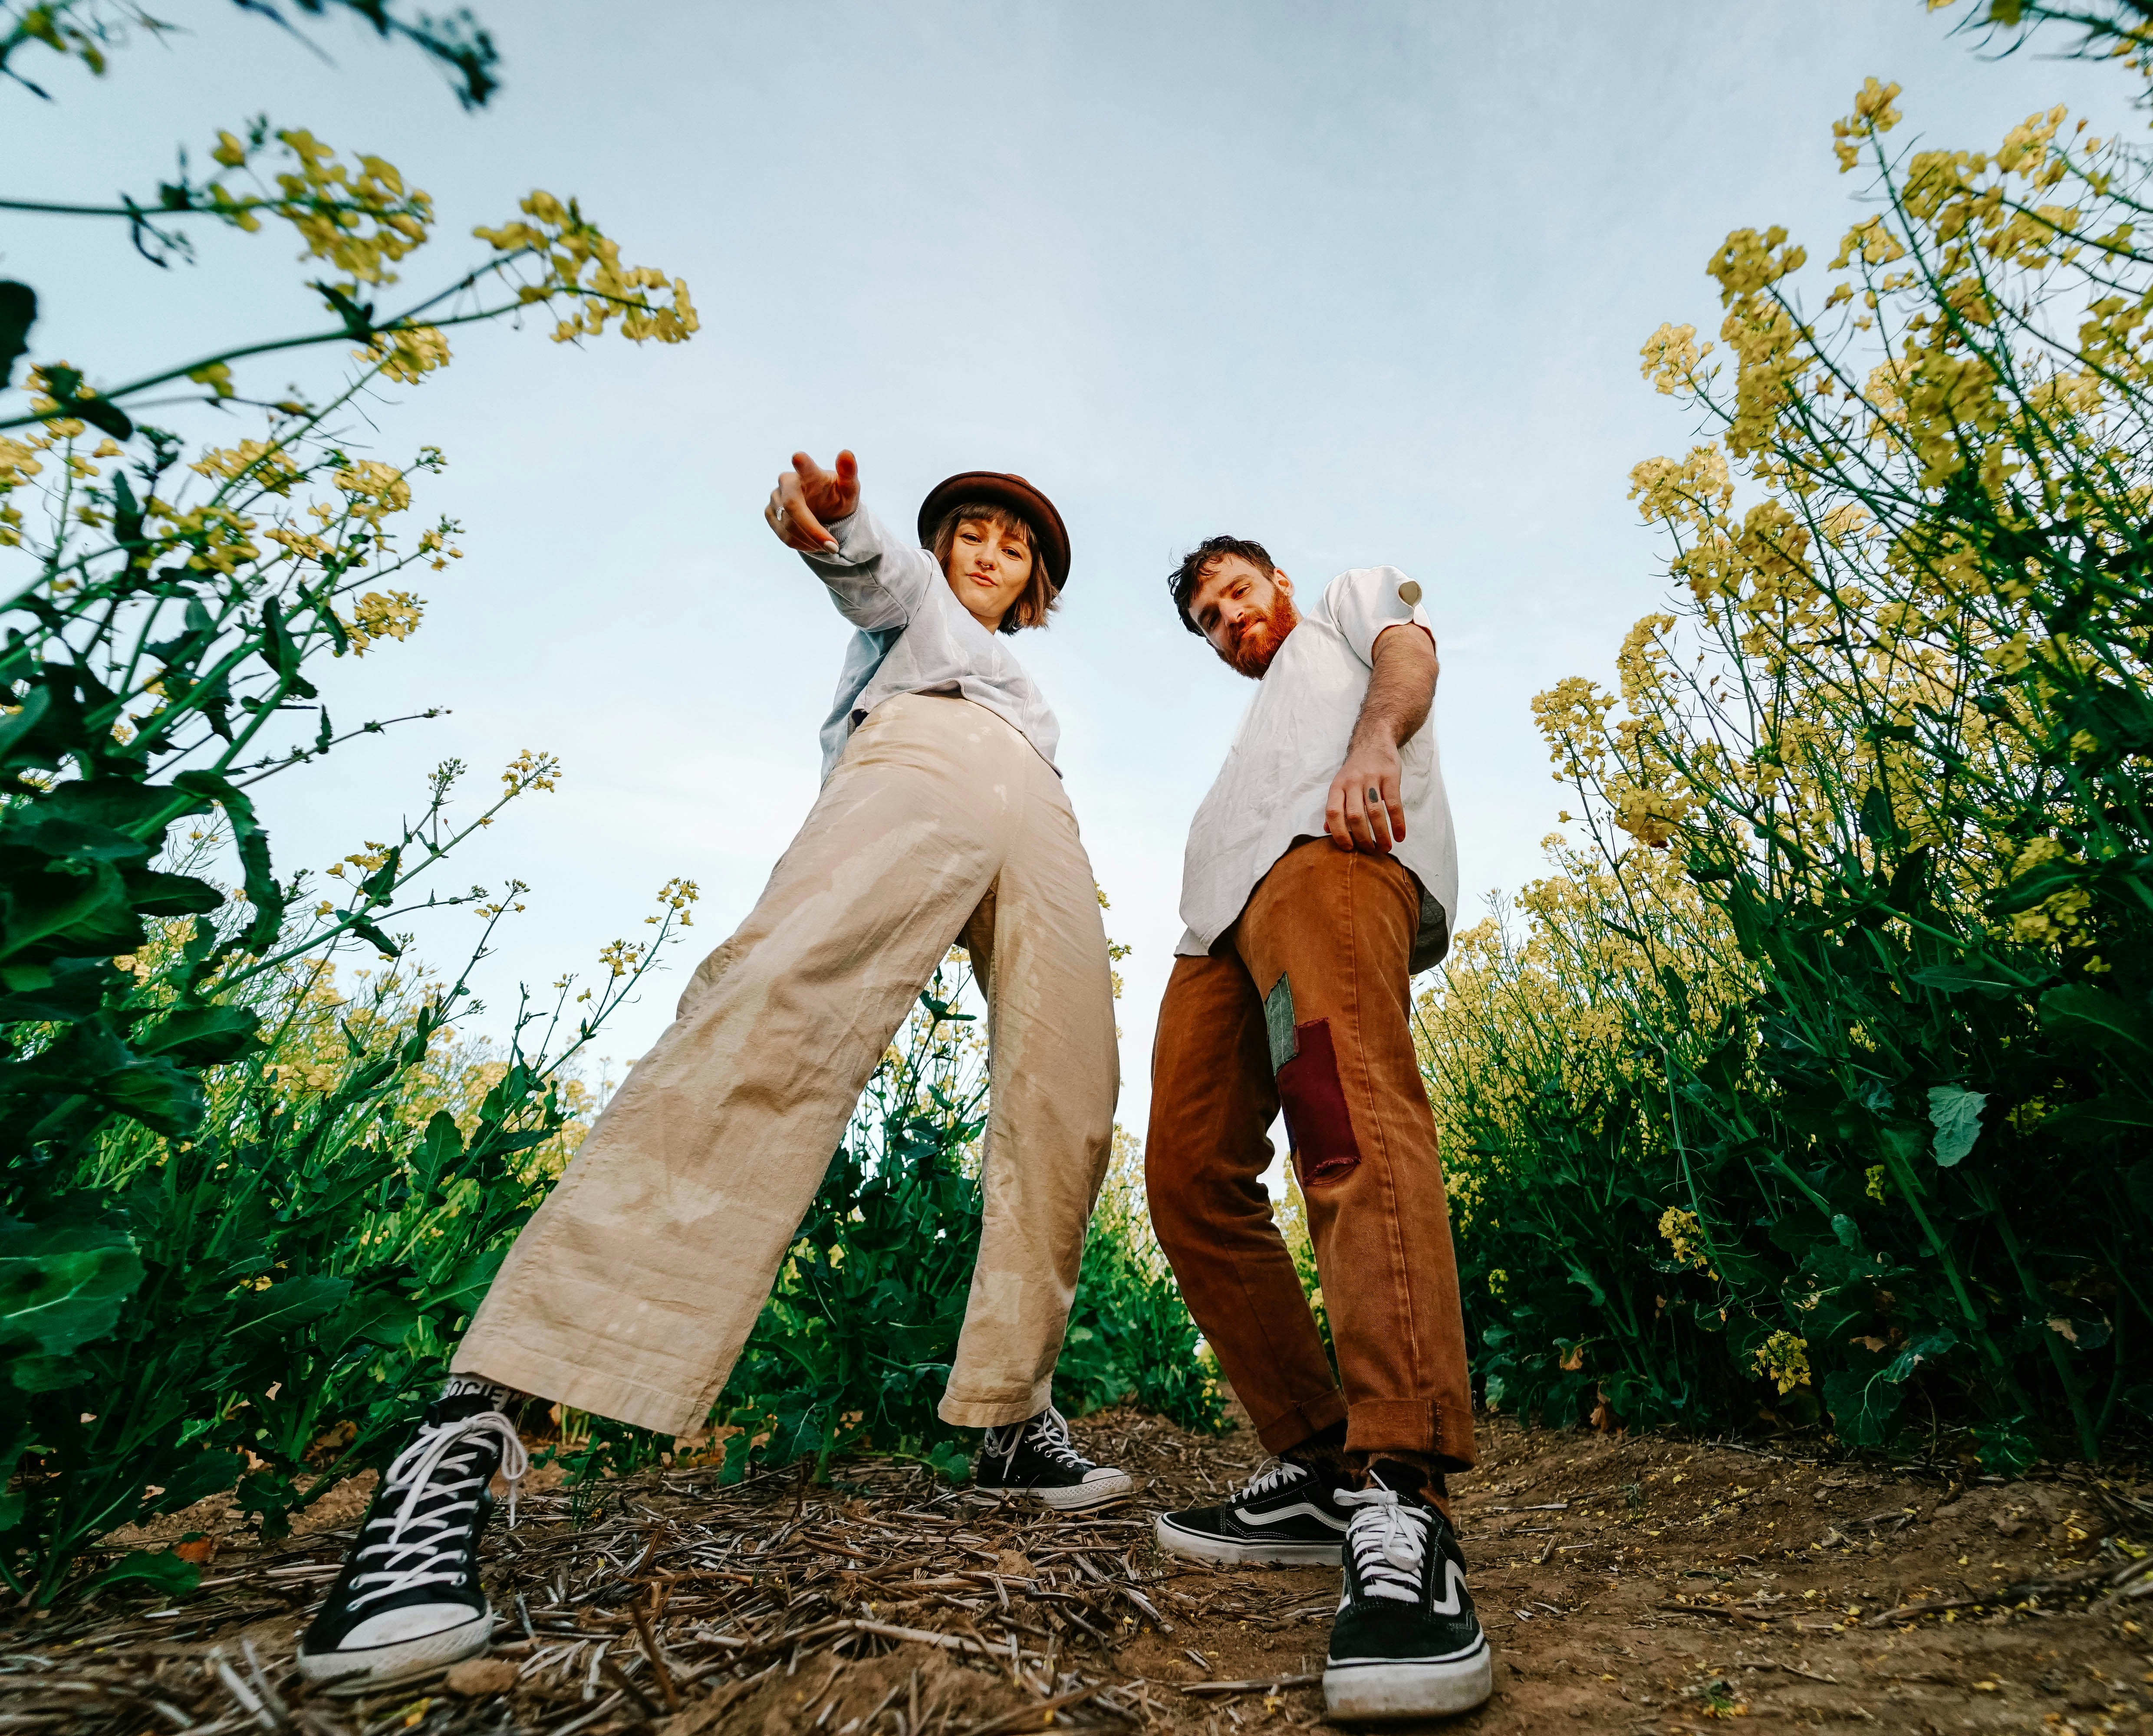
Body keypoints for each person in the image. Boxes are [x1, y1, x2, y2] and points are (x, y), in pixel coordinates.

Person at [294, 455, 1131, 1686]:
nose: (990, 550)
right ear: (946, 553)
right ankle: (468, 1432)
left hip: (1041, 810)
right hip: (918, 767)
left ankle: (1009, 1419)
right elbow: (874, 570)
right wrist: (840, 528)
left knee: (1072, 1098)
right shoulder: (921, 616)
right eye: (972, 532)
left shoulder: (1033, 690)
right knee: (768, 1025)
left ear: (1038, 582)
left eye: (1016, 543)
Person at [1141, 537, 1492, 1722]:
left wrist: (1375, 741)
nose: (1228, 619)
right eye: (1207, 619)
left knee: (1341, 1121)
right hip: (1217, 932)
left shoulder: (1345, 609)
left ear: (1279, 584)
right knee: (1188, 1176)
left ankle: (1405, 1484)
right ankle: (1319, 1463)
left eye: (1237, 593)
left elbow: (1409, 649)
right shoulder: (1250, 729)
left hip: (1334, 858)